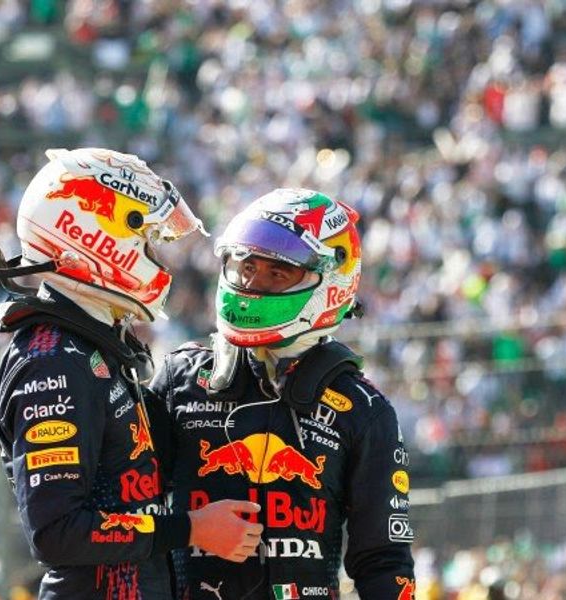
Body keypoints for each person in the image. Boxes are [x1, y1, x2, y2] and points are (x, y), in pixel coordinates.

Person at [0, 148, 263, 600]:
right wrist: (191, 529)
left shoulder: (90, 346)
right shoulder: (52, 360)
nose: (154, 255)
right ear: (93, 235)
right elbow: (56, 532)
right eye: (145, 238)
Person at [149, 188, 416, 599]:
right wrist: (190, 529)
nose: (253, 283)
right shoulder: (179, 377)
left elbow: (383, 562)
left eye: (278, 273)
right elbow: (126, 513)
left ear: (331, 283)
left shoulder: (364, 410)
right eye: (247, 267)